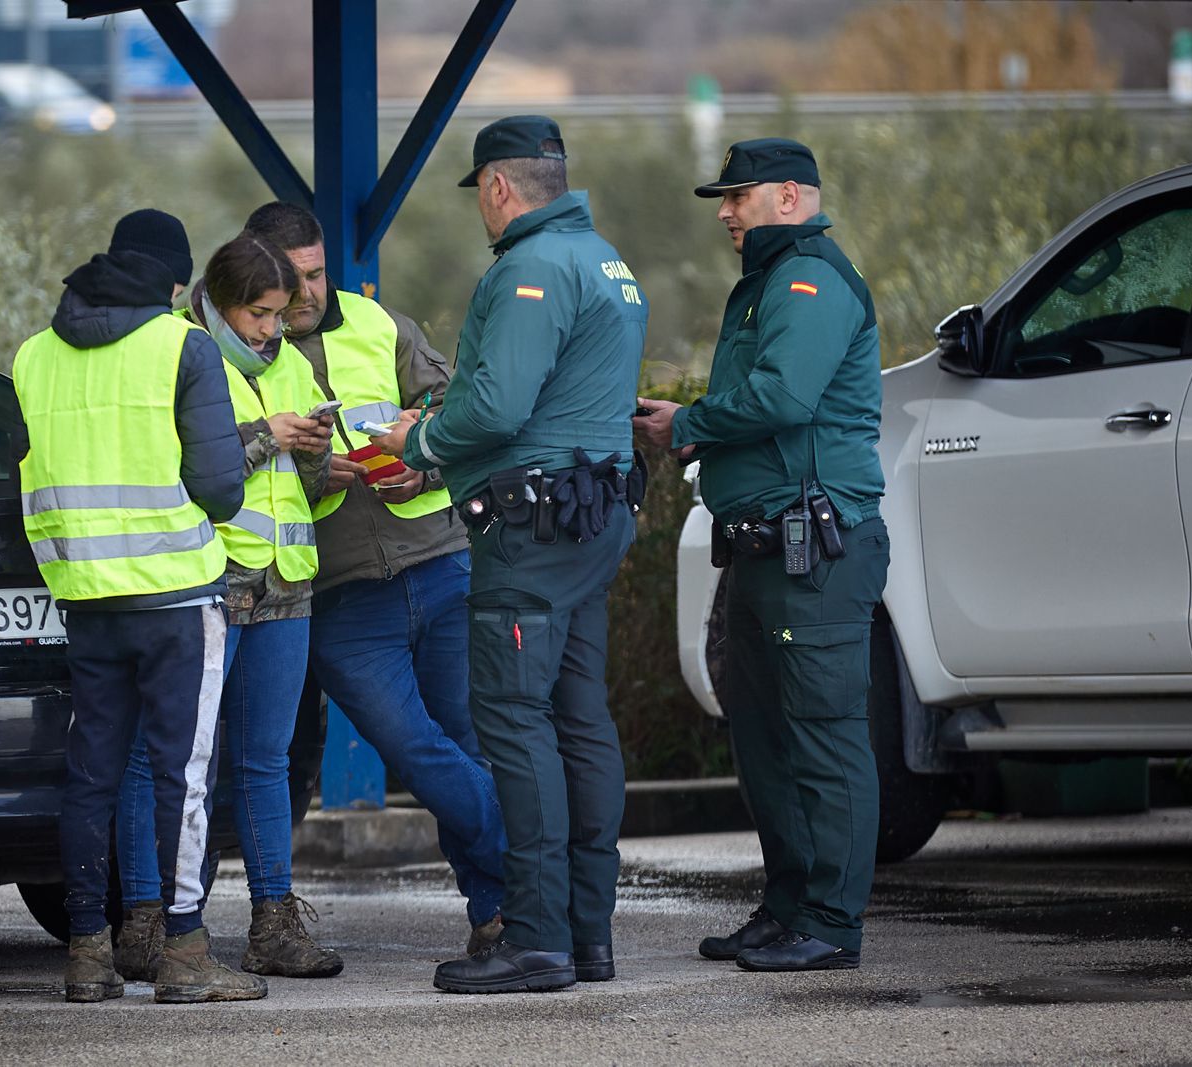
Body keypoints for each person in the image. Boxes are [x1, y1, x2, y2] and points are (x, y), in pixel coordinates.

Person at [377, 115, 649, 994]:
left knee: (516, 723)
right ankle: (586, 933)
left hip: (531, 534)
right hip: (590, 519)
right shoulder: (607, 259)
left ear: (497, 186)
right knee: (578, 718)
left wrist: (417, 440)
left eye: (480, 196)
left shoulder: (530, 266)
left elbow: (493, 409)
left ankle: (536, 938)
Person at [632, 138, 889, 972]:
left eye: (738, 195)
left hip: (814, 549)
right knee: (765, 735)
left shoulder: (810, 277)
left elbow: (785, 394)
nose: (725, 210)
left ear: (789, 195)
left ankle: (830, 921)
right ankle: (787, 907)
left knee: (821, 733)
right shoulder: (769, 282)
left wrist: (689, 423)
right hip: (764, 547)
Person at [243, 201, 509, 956]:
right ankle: (537, 854)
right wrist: (315, 474)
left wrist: (422, 452)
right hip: (343, 595)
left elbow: (452, 403)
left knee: (469, 740)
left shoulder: (378, 324)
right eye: (290, 279)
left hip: (440, 559)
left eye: (318, 273)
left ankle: (499, 915)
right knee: (418, 751)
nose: (307, 293)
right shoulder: (251, 356)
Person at [11, 208, 255, 1004]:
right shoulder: (181, 346)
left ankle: (87, 950)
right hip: (177, 595)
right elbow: (220, 488)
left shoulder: (33, 356)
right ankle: (184, 949)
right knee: (182, 772)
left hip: (86, 596)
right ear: (175, 282)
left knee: (91, 773)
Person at [115, 231, 342, 981]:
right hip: (208, 581)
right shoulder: (182, 354)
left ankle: (273, 923)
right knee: (172, 760)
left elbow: (308, 489)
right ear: (217, 300)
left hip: (286, 583)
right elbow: (179, 467)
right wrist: (263, 435)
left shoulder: (294, 365)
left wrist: (312, 450)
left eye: (280, 315)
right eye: (259, 314)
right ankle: (148, 924)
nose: (272, 331)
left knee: (265, 762)